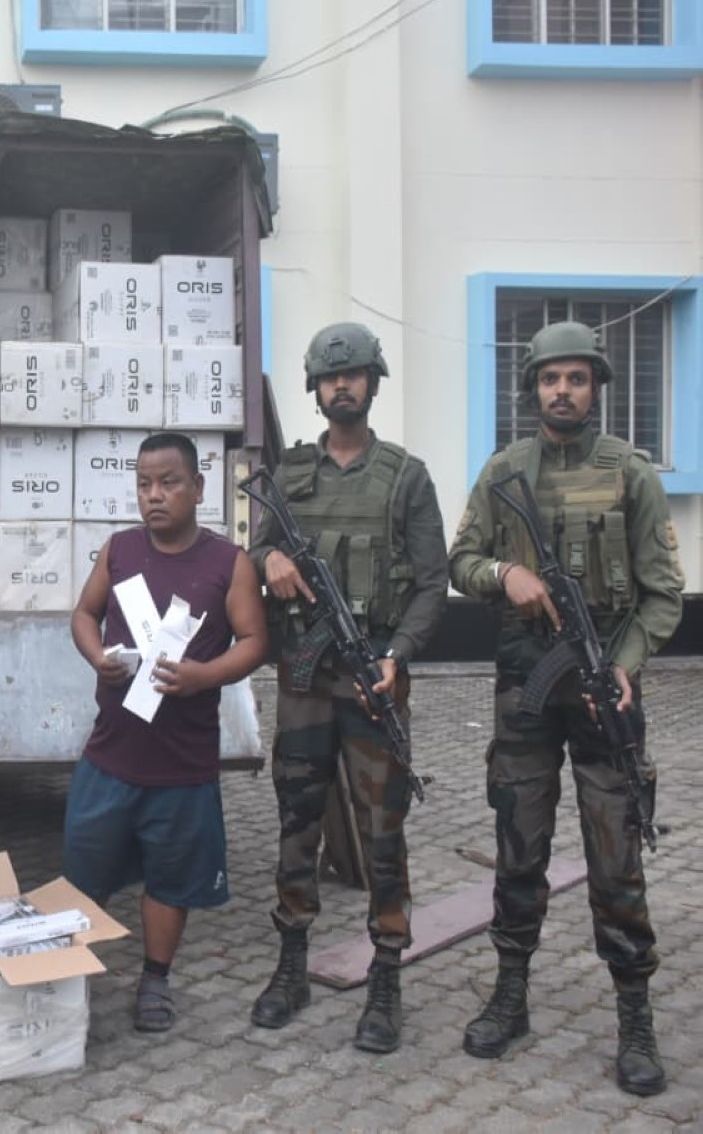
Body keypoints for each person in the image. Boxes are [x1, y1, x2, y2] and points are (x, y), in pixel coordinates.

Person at [448, 320, 682, 1096]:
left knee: (617, 853)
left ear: (597, 388)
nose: (563, 391)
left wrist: (626, 664)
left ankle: (635, 1016)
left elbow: (662, 594)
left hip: (605, 685)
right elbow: (460, 559)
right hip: (526, 684)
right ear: (533, 389)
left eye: (577, 378)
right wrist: (501, 576)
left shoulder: (632, 473)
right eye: (551, 379)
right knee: (520, 842)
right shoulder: (504, 470)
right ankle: (510, 993)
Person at [246, 322, 447, 1054]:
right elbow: (256, 545)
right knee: (296, 823)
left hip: (373, 683)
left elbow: (433, 583)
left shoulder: (405, 476)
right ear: (315, 388)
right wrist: (268, 558)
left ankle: (386, 979)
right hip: (304, 677)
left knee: (383, 832)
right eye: (331, 378)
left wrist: (399, 655)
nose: (342, 387)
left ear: (373, 381)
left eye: (354, 374)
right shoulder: (290, 476)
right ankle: (291, 966)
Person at [65, 430, 266, 1033]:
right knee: (84, 869)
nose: (155, 496)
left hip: (183, 760)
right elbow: (83, 613)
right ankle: (69, 973)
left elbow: (256, 642)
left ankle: (155, 978)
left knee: (171, 879)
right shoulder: (120, 549)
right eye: (144, 484)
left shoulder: (227, 562)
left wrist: (206, 675)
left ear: (198, 487)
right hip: (112, 753)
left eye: (169, 483)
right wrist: (95, 653)